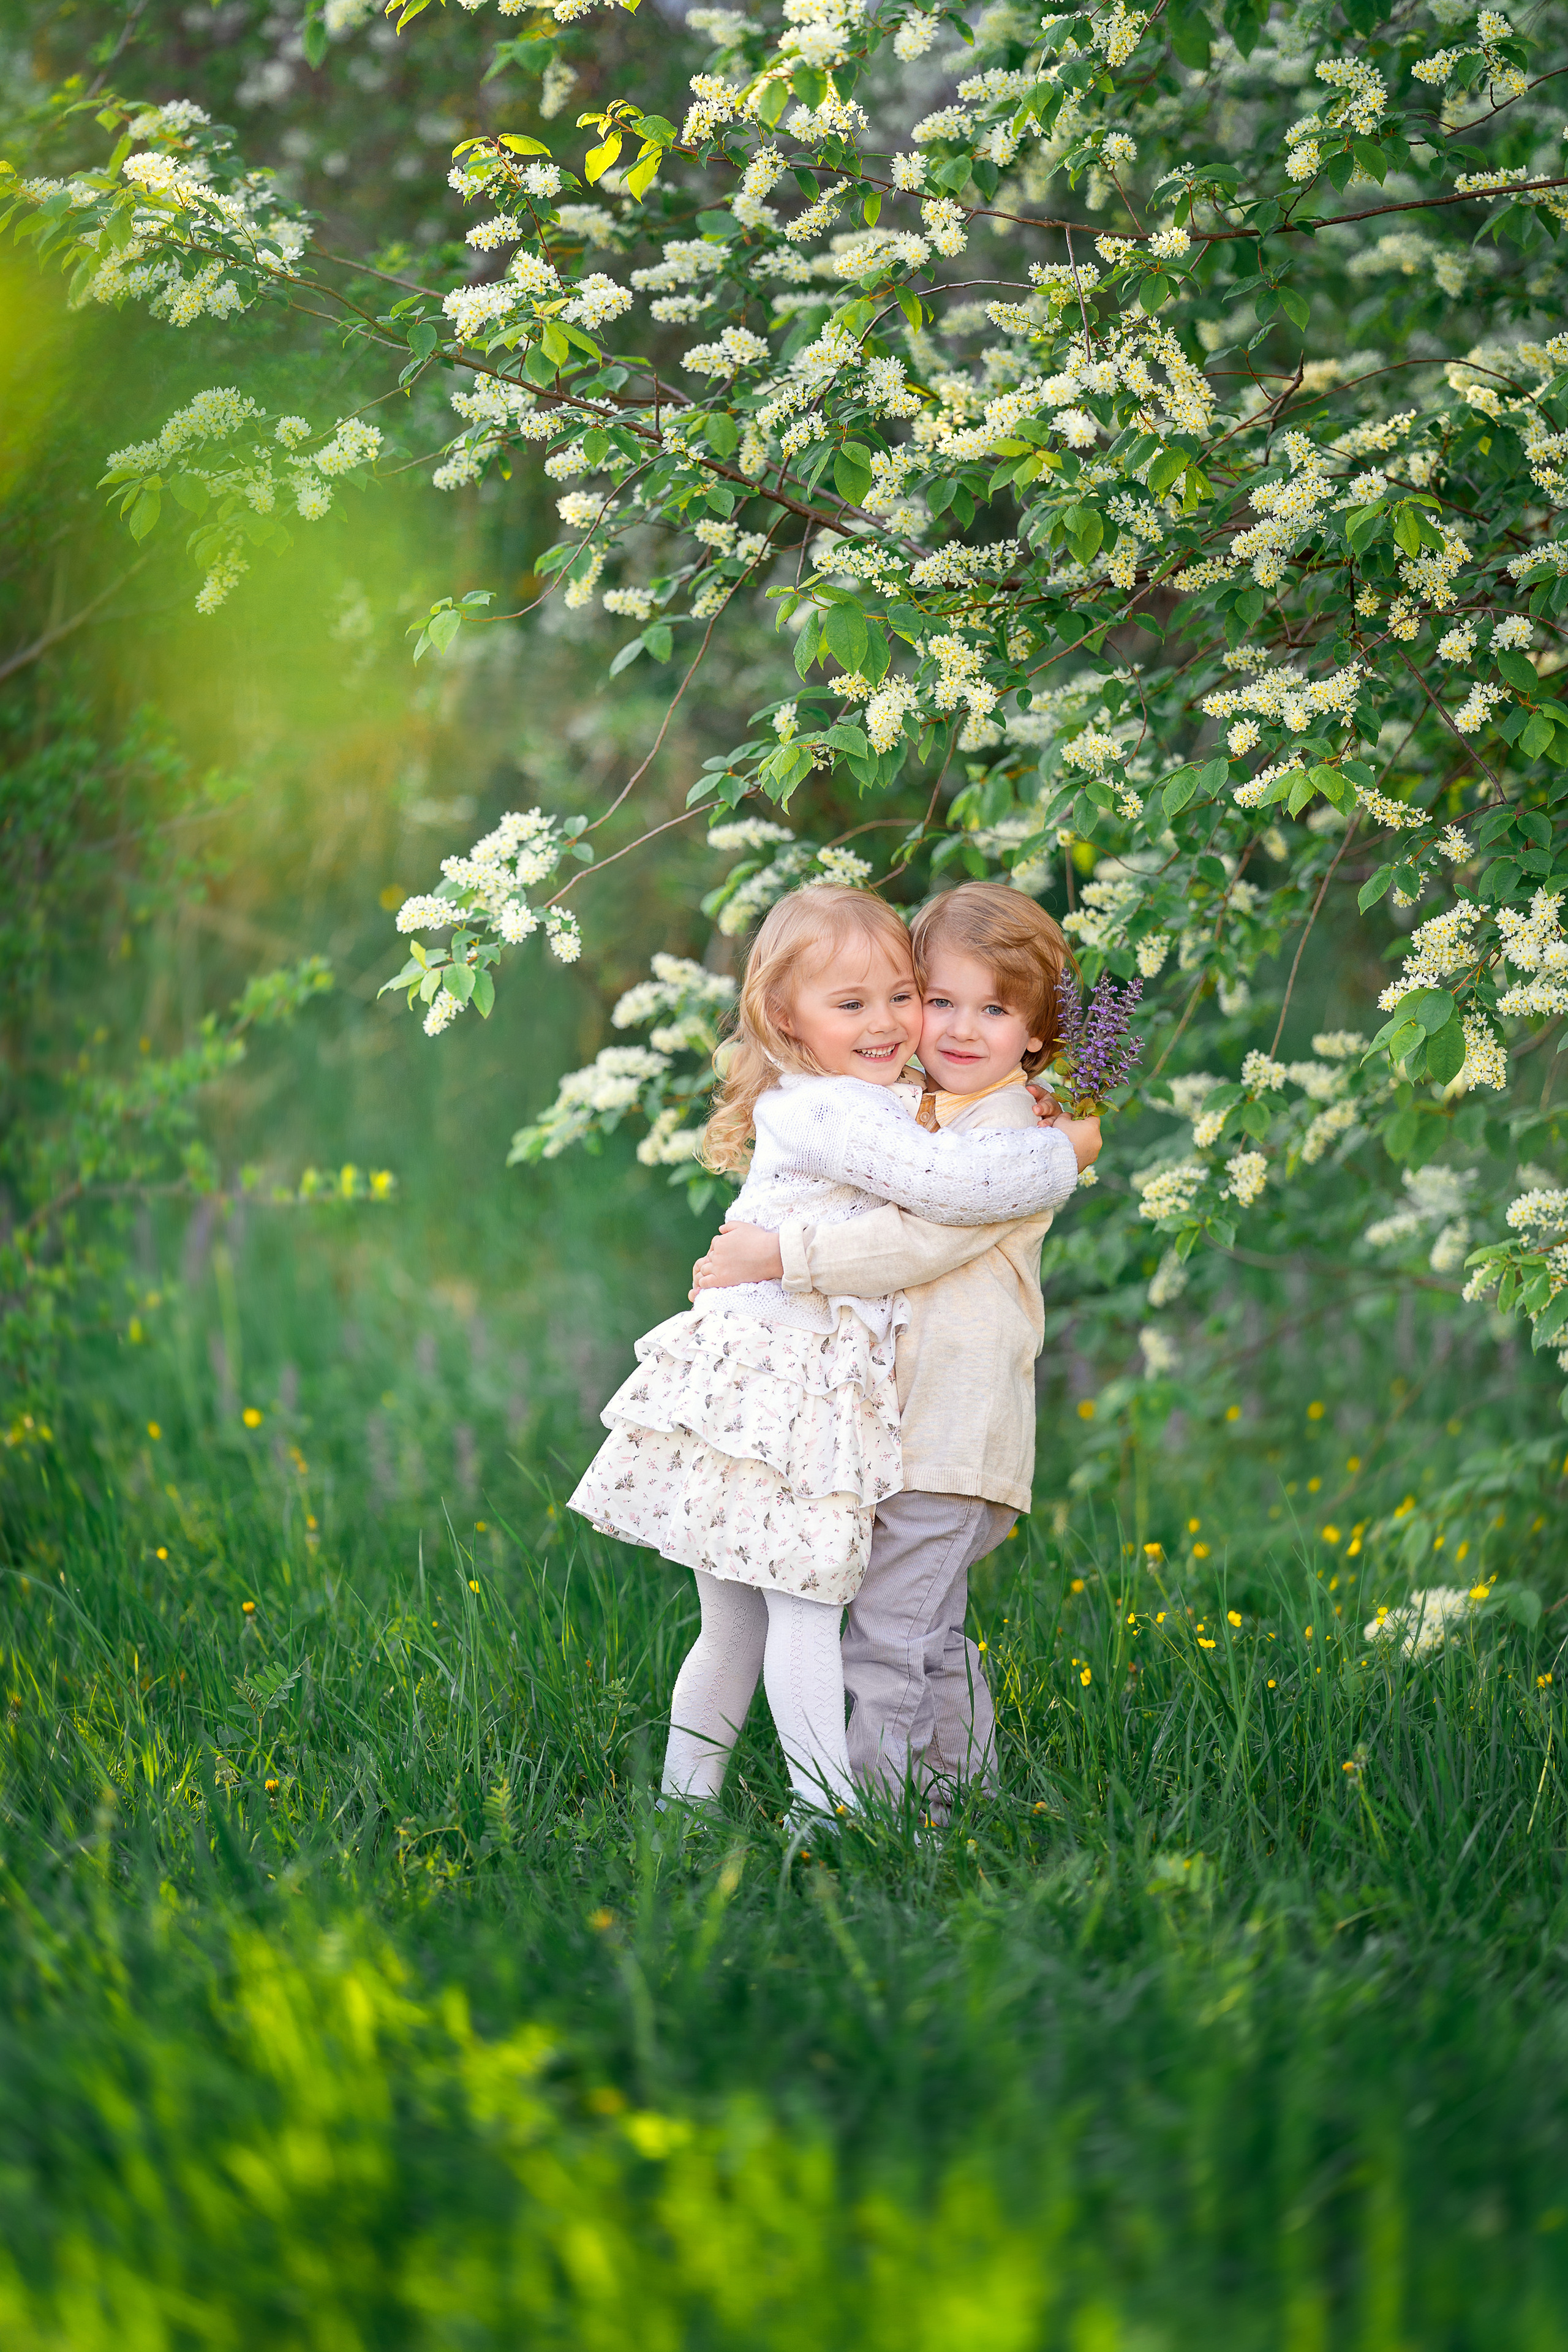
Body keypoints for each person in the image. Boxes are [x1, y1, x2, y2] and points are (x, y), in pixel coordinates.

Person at [569, 883, 1095, 1826]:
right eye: (865, 1003)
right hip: (793, 1398)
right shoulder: (843, 1111)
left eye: (902, 996)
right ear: (785, 1016)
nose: (899, 1023)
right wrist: (1068, 1151)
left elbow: (941, 1184)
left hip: (824, 1405)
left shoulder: (900, 1103)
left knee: (788, 1627)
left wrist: (1036, 1114)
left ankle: (722, 1813)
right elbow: (941, 1182)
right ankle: (842, 1814)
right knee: (822, 1617)